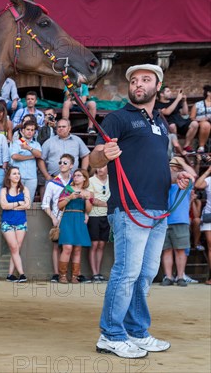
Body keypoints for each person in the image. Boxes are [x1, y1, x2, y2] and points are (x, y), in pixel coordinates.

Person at [91, 64, 194, 358]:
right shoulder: (116, 119)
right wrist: (103, 153)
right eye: (134, 80)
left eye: (145, 80)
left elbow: (157, 166)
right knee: (126, 273)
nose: (138, 84)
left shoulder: (161, 124)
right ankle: (110, 334)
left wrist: (176, 178)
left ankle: (136, 331)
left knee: (146, 274)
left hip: (157, 210)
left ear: (157, 87)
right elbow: (95, 160)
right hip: (129, 210)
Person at [161, 157, 197, 286]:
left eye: (173, 164)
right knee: (167, 250)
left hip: (180, 220)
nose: (171, 166)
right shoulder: (165, 181)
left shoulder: (185, 182)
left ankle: (180, 276)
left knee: (180, 250)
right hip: (163, 220)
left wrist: (181, 161)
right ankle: (168, 277)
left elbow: (193, 175)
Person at [41, 153, 74, 282]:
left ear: (71, 165)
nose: (61, 165)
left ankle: (71, 274)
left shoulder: (75, 181)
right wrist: (53, 217)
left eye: (65, 163)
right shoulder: (53, 183)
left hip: (72, 217)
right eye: (60, 162)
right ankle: (56, 273)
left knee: (72, 246)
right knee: (57, 246)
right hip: (58, 218)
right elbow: (45, 204)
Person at [57, 168, 92, 284]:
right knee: (67, 247)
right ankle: (62, 275)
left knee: (77, 249)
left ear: (84, 178)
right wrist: (70, 197)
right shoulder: (67, 189)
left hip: (79, 218)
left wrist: (87, 199)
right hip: (67, 218)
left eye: (78, 175)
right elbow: (59, 206)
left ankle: (74, 276)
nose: (75, 177)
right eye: (75, 175)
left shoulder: (87, 192)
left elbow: (88, 210)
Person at [0, 166, 31, 282]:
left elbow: (28, 205)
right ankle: (22, 274)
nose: (17, 175)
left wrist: (11, 206)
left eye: (18, 173)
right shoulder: (4, 190)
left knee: (16, 249)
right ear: (9, 176)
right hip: (7, 222)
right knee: (14, 247)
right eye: (14, 173)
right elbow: (3, 206)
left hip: (21, 222)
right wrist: (18, 203)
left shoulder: (24, 189)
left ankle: (10, 275)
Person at [156, 85, 198, 152]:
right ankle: (177, 148)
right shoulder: (157, 104)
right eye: (168, 91)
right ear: (161, 94)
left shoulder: (173, 101)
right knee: (172, 126)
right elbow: (167, 112)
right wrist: (178, 99)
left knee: (194, 124)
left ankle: (186, 146)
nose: (170, 92)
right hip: (168, 124)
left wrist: (184, 101)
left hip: (180, 122)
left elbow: (185, 113)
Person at [87, 165, 110, 283]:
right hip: (94, 215)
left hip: (107, 216)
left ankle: (99, 272)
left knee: (102, 244)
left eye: (103, 166)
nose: (100, 169)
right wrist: (106, 204)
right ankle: (94, 273)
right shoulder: (91, 181)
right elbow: (91, 199)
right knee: (94, 244)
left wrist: (105, 205)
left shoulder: (111, 179)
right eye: (98, 167)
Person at [9, 120, 41, 203]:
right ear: (23, 130)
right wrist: (31, 156)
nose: (30, 132)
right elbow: (14, 156)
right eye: (28, 129)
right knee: (16, 201)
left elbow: (39, 155)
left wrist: (28, 148)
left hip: (32, 177)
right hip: (18, 177)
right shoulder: (17, 143)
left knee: (28, 202)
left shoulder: (36, 144)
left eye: (32, 130)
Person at [194, 161, 211, 285]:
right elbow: (198, 185)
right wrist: (208, 170)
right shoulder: (209, 180)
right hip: (209, 216)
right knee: (210, 246)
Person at [188, 84, 211, 153]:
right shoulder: (198, 104)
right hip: (202, 123)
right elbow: (192, 117)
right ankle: (201, 147)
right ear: (208, 93)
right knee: (206, 125)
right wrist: (201, 119)